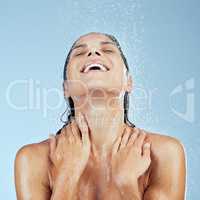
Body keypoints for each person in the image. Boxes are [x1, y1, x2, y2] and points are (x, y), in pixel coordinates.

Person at [14, 32, 186, 200]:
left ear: (128, 82)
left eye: (108, 50)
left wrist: (126, 184)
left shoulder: (163, 153)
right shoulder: (34, 160)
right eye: (80, 52)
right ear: (66, 88)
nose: (93, 52)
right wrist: (67, 176)